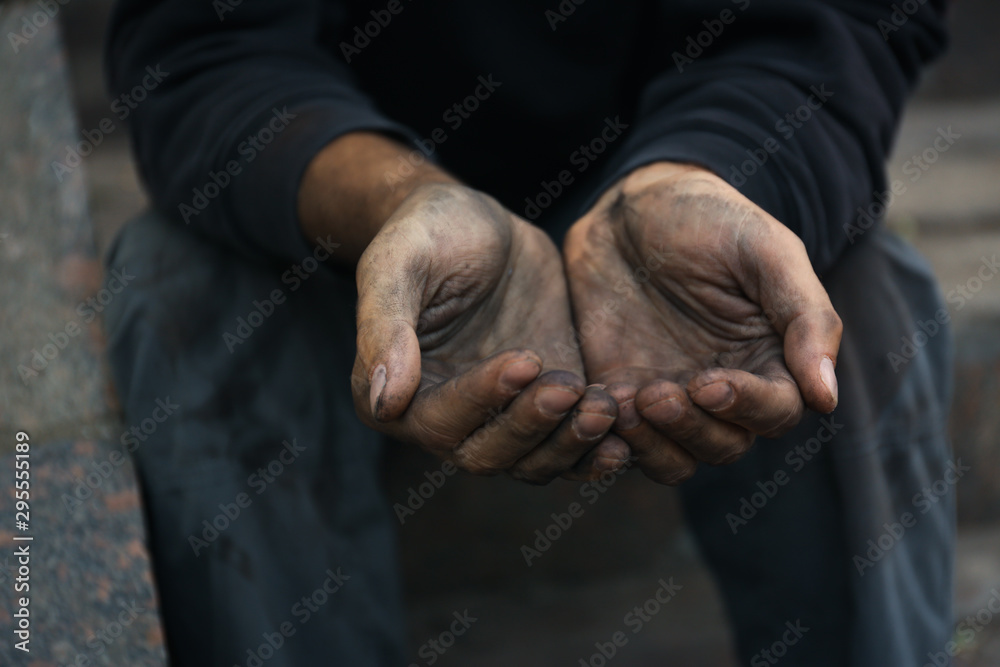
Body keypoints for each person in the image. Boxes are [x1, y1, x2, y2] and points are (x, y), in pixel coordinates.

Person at [104, 1, 954, 665]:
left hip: (676, 179)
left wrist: (703, 174)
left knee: (863, 302)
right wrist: (399, 201)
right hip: (359, 202)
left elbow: (836, 22)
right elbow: (204, 48)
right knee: (177, 291)